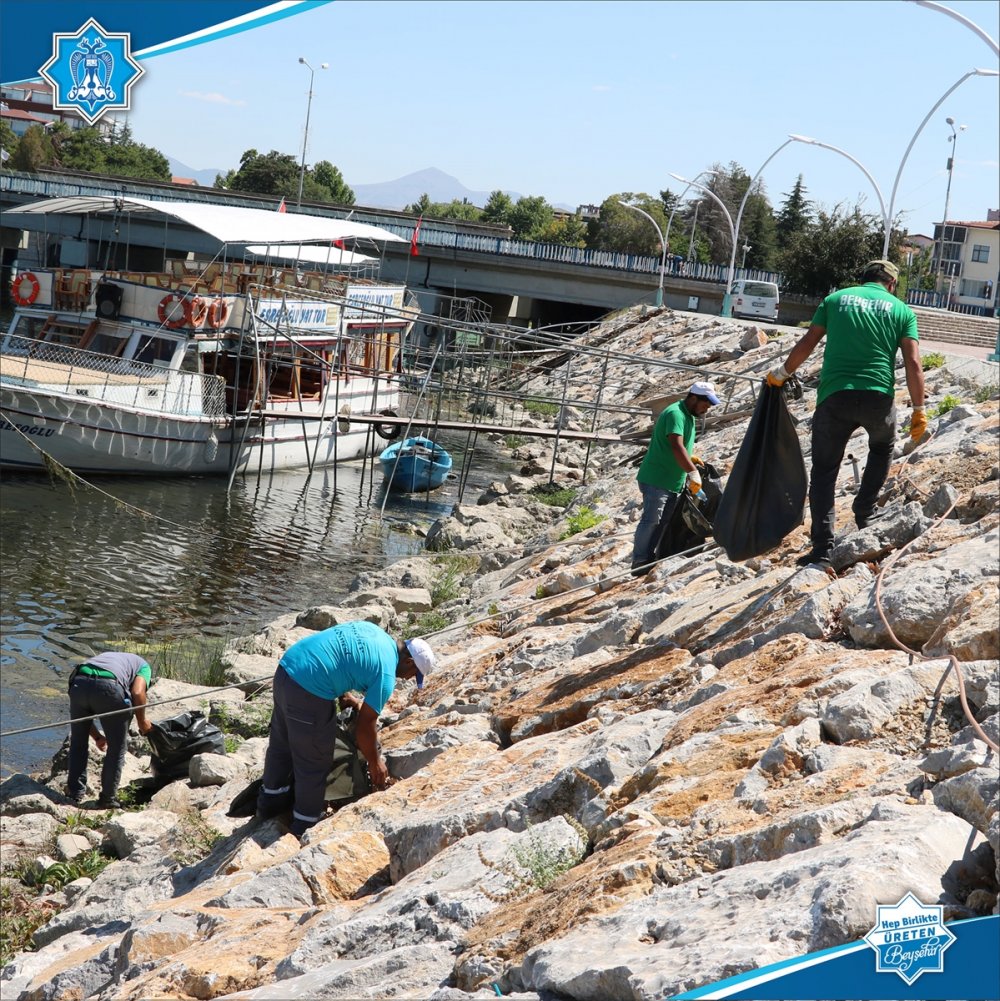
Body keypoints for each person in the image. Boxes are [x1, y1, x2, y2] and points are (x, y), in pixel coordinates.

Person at [767, 259, 925, 568]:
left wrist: (782, 373)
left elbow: (808, 341)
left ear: (864, 278)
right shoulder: (902, 310)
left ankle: (822, 547)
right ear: (891, 284)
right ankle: (865, 510)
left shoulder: (836, 300)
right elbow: (914, 364)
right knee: (882, 447)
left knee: (825, 472)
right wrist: (919, 411)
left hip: (834, 397)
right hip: (878, 397)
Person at [256, 621, 436, 838]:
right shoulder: (386, 675)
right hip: (308, 689)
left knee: (281, 744)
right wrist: (375, 761)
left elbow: (341, 655)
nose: (407, 679)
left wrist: (344, 694)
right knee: (314, 761)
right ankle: (303, 827)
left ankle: (268, 807)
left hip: (288, 668)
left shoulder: (375, 633)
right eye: (413, 674)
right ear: (408, 661)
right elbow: (365, 726)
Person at [631, 380, 720, 576]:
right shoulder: (675, 414)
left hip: (671, 480)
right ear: (694, 398)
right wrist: (692, 471)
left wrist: (691, 459)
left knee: (663, 522)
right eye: (705, 405)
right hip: (657, 478)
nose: (706, 410)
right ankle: (640, 561)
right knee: (652, 520)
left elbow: (682, 447)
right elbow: (676, 446)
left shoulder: (688, 415)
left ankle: (650, 557)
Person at [66, 651, 153, 808]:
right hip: (109, 688)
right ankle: (107, 799)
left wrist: (98, 737)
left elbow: (83, 717)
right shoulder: (144, 666)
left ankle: (74, 793)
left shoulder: (107, 656)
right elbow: (138, 692)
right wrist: (142, 721)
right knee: (116, 748)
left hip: (79, 681)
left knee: (78, 742)